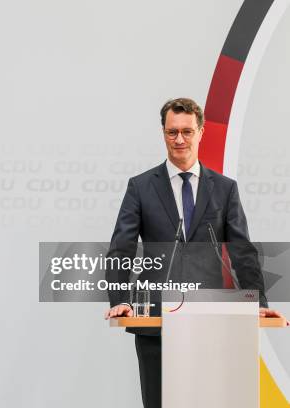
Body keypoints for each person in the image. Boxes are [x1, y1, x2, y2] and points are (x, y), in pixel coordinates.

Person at [102, 97, 283, 408]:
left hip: (211, 318)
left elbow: (242, 251)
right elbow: (122, 247)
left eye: (187, 131)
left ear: (201, 133)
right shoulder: (141, 186)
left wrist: (259, 303)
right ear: (163, 133)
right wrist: (120, 300)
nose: (180, 140)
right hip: (156, 320)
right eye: (172, 132)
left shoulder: (225, 189)